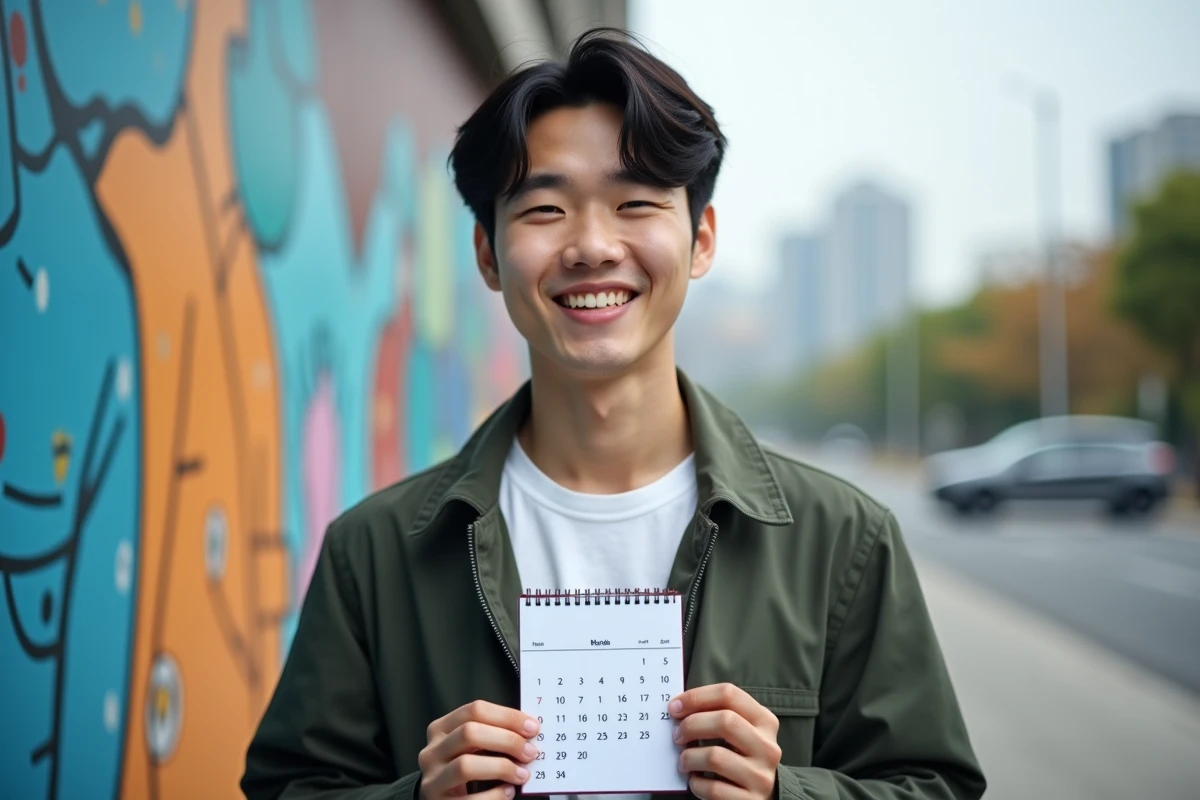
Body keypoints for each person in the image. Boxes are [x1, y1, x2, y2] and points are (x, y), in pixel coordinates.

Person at [241, 28, 985, 800]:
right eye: (544, 210)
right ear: (489, 256)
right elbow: (287, 787)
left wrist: (785, 794)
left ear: (700, 239)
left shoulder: (843, 542)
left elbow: (935, 784)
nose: (593, 246)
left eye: (634, 203)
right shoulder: (375, 553)